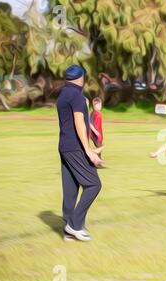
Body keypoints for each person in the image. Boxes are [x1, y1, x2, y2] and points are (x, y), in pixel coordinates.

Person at [56, 65, 102, 242]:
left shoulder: (63, 95)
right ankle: (74, 225)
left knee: (70, 190)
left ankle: (68, 231)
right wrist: (88, 150)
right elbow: (79, 123)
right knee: (93, 184)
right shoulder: (76, 95)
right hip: (75, 147)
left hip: (64, 146)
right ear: (81, 78)